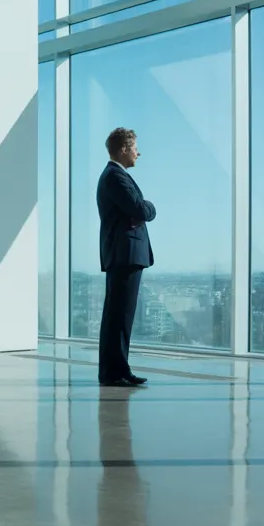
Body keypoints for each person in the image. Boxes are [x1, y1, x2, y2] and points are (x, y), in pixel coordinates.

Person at [96, 127, 155, 387]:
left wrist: (140, 210)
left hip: (123, 254)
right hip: (125, 254)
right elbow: (140, 209)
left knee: (119, 316)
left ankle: (118, 370)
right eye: (134, 148)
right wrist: (149, 207)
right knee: (119, 316)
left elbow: (135, 211)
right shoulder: (115, 177)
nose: (138, 153)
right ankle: (114, 372)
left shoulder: (114, 176)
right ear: (123, 149)